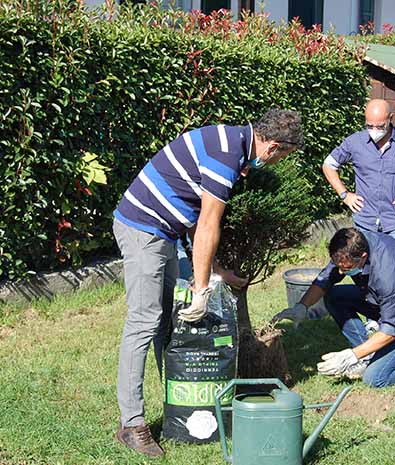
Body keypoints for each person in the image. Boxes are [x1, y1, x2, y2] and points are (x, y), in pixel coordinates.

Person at [112, 109, 303, 457]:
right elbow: (208, 223)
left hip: (164, 231)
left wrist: (217, 271)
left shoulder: (234, 143)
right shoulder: (226, 154)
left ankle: (177, 402)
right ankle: (132, 424)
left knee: (164, 321)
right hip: (143, 229)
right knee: (144, 321)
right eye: (283, 157)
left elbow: (193, 212)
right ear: (273, 147)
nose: (277, 163)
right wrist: (202, 288)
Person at [273, 227, 395, 387]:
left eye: (346, 269)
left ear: (363, 257)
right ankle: (367, 354)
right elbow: (325, 279)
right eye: (338, 265)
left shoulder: (388, 273)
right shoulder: (351, 245)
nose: (340, 272)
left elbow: (391, 329)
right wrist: (301, 307)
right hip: (382, 303)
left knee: (376, 378)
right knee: (334, 295)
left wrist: (350, 356)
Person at [322, 99, 395, 252]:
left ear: (390, 118)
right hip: (364, 223)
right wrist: (344, 195)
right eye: (369, 126)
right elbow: (329, 165)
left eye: (380, 126)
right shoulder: (354, 142)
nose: (374, 130)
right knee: (365, 273)